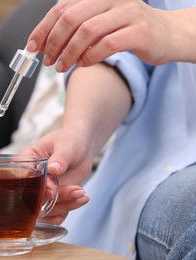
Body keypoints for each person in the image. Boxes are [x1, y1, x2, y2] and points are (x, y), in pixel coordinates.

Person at [20, 0, 196, 259]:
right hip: (171, 171)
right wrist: (81, 132)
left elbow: (156, 27)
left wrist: (173, 28)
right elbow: (121, 53)